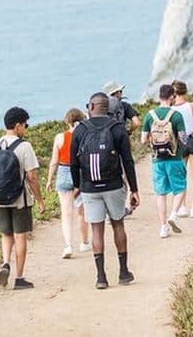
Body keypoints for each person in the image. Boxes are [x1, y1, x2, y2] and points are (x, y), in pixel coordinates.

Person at [70, 92, 140, 289]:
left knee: (97, 230)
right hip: (114, 185)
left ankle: (101, 277)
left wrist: (77, 186)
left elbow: (74, 163)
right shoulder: (117, 128)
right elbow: (128, 161)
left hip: (90, 188)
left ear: (91, 107)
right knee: (118, 225)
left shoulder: (80, 130)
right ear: (107, 108)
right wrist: (134, 189)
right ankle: (124, 272)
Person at [0, 107, 45, 290]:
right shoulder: (24, 146)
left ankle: (5, 263)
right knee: (20, 236)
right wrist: (40, 200)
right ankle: (19, 278)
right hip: (20, 200)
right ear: (18, 125)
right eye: (25, 124)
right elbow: (32, 178)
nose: (26, 128)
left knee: (6, 234)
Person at [141, 84, 189, 239]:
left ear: (159, 96)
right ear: (172, 97)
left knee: (160, 193)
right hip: (174, 158)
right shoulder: (176, 115)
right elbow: (183, 138)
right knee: (180, 188)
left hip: (157, 160)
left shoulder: (149, 115)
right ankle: (174, 214)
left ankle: (163, 228)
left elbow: (142, 140)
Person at [46, 108, 91, 258]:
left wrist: (49, 179)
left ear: (67, 121)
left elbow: (54, 161)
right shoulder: (85, 135)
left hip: (64, 173)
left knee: (66, 213)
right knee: (82, 212)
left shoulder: (60, 137)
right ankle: (84, 242)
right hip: (81, 173)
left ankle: (68, 246)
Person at [103, 80, 141, 216]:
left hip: (106, 144)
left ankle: (108, 210)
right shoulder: (124, 106)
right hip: (122, 141)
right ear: (117, 92)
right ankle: (120, 208)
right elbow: (137, 122)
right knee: (125, 171)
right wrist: (128, 132)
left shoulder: (103, 108)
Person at [171, 80, 193, 219]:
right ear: (185, 91)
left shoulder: (172, 110)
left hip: (180, 142)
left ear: (173, 93)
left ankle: (182, 207)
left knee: (181, 175)